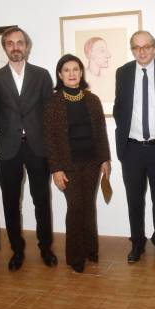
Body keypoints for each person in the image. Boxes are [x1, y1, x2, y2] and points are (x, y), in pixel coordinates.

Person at [0, 26, 57, 271]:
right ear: (5, 47)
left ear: (26, 46)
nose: (15, 47)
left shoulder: (42, 75)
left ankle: (46, 247)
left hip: (38, 148)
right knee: (10, 202)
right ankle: (16, 251)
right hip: (9, 149)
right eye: (10, 43)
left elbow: (49, 112)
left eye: (19, 42)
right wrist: (10, 131)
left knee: (42, 200)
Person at [113, 30, 155, 263]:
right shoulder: (122, 73)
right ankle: (137, 243)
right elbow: (119, 109)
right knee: (134, 199)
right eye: (136, 47)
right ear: (132, 50)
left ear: (154, 48)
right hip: (131, 148)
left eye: (146, 46)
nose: (141, 51)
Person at [43, 54, 111, 273]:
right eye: (67, 70)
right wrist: (56, 169)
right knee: (76, 207)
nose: (72, 74)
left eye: (75, 69)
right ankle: (75, 256)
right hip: (67, 165)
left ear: (81, 73)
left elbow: (101, 132)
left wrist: (105, 159)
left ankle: (91, 250)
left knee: (88, 206)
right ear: (60, 75)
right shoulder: (52, 102)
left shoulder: (92, 100)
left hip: (91, 162)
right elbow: (50, 139)